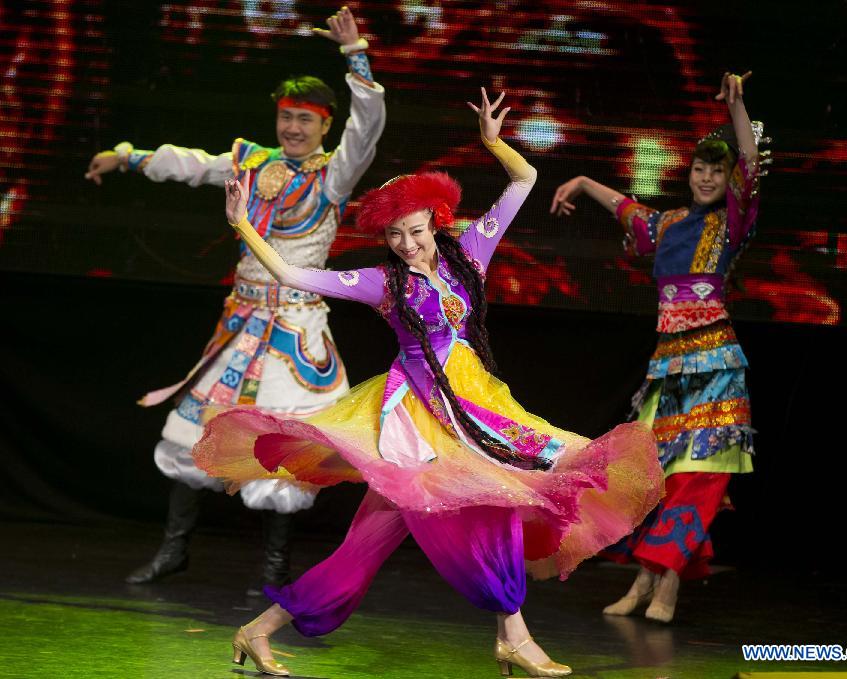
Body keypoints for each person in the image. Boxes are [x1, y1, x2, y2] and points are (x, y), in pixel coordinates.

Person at [194, 88, 663, 677]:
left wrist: (494, 145)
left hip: (473, 406)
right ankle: (511, 639)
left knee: (407, 536)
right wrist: (243, 226)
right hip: (416, 427)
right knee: (446, 521)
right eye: (395, 235)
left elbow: (524, 182)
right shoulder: (383, 283)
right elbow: (292, 271)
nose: (407, 245)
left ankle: (259, 631)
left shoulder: (470, 252)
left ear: (436, 224)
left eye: (416, 232)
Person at [84, 7, 386, 589]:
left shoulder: (333, 177)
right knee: (192, 437)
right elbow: (193, 165)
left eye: (305, 120)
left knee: (282, 456)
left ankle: (274, 570)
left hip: (294, 335)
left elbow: (367, 127)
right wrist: (128, 156)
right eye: (286, 118)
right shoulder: (253, 161)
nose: (293, 129)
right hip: (240, 329)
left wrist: (356, 55)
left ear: (324, 127)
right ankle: (174, 551)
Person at [550, 71, 763, 623]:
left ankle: (662, 586)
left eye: (718, 170)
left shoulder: (730, 224)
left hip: (715, 364)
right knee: (654, 476)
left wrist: (737, 108)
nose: (709, 178)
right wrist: (580, 180)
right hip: (667, 370)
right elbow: (627, 210)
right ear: (688, 174)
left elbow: (750, 165)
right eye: (700, 168)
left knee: (703, 472)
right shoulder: (668, 225)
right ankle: (650, 580)